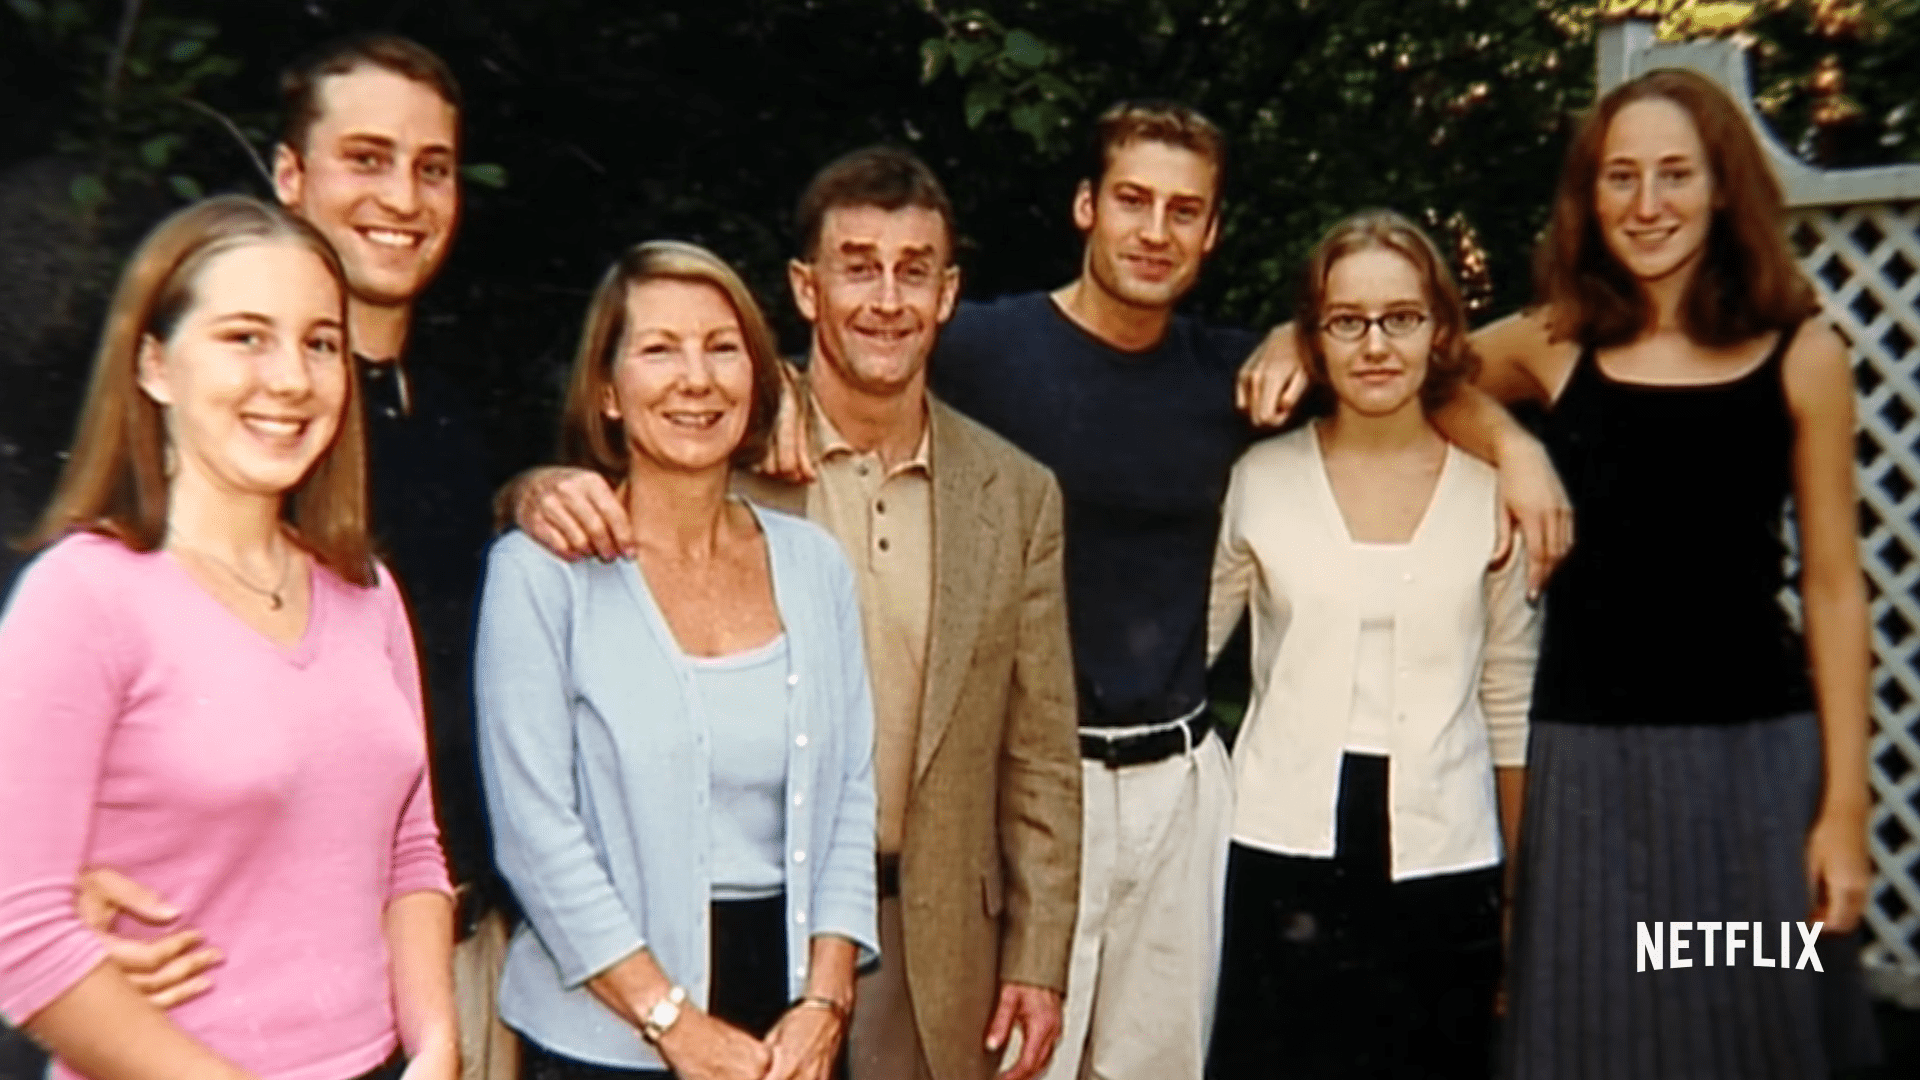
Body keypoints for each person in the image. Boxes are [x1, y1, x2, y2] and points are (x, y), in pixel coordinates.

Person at [514, 101, 1571, 1080]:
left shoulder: (1230, 383)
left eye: (1184, 210)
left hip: (1103, 823)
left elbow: (1400, 376)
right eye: (1132, 199)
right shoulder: (941, 367)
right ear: (1084, 206)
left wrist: (1510, 445)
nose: (1154, 230)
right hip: (811, 880)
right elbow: (730, 391)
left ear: (1213, 232)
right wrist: (538, 489)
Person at [514, 147, 1082, 1080]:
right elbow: (600, 497)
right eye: (858, 267)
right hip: (730, 942)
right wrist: (531, 491)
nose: (887, 300)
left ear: (948, 294)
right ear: (806, 288)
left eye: (914, 271)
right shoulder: (723, 448)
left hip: (936, 939)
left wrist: (1038, 954)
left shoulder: (1016, 495)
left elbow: (1041, 751)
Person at [65, 36, 515, 1072]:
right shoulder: (217, 428)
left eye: (433, 167)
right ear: (289, 174)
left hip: (438, 964)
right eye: (366, 157)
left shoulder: (450, 420)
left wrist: (527, 490)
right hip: (220, 1002)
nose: (403, 196)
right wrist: (52, 881)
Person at [1472, 68, 1878, 1079]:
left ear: (1724, 186)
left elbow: (1834, 587)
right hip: (1590, 774)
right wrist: (1513, 445)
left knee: (1758, 1029)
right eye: (1620, 176)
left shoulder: (1805, 353)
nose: (1647, 204)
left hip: (1758, 771)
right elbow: (1414, 373)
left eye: (1675, 174)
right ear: (1590, 195)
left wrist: (1844, 812)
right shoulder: (1554, 341)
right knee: (1598, 1038)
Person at [0, 195, 456, 1080]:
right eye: (246, 337)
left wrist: (437, 1044)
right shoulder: (81, 597)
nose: (290, 379)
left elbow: (410, 850)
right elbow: (25, 939)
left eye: (320, 343)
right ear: (154, 364)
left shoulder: (367, 592)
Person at [474, 240, 877, 1080]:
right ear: (607, 391)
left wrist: (826, 1000)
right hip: (606, 1033)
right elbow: (535, 834)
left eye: (722, 348)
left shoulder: (814, 565)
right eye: (660, 349)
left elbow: (849, 794)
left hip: (794, 1032)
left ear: (756, 378)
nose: (697, 379)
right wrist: (673, 1022)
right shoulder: (540, 576)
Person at [1203, 210, 1536, 1079]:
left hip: (1446, 857)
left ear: (1441, 331)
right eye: (1347, 321)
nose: (1377, 345)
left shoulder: (1493, 495)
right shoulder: (1261, 480)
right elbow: (1183, 662)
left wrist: (1516, 896)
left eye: (1402, 318)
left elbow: (1508, 703)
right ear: (1313, 339)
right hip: (1279, 849)